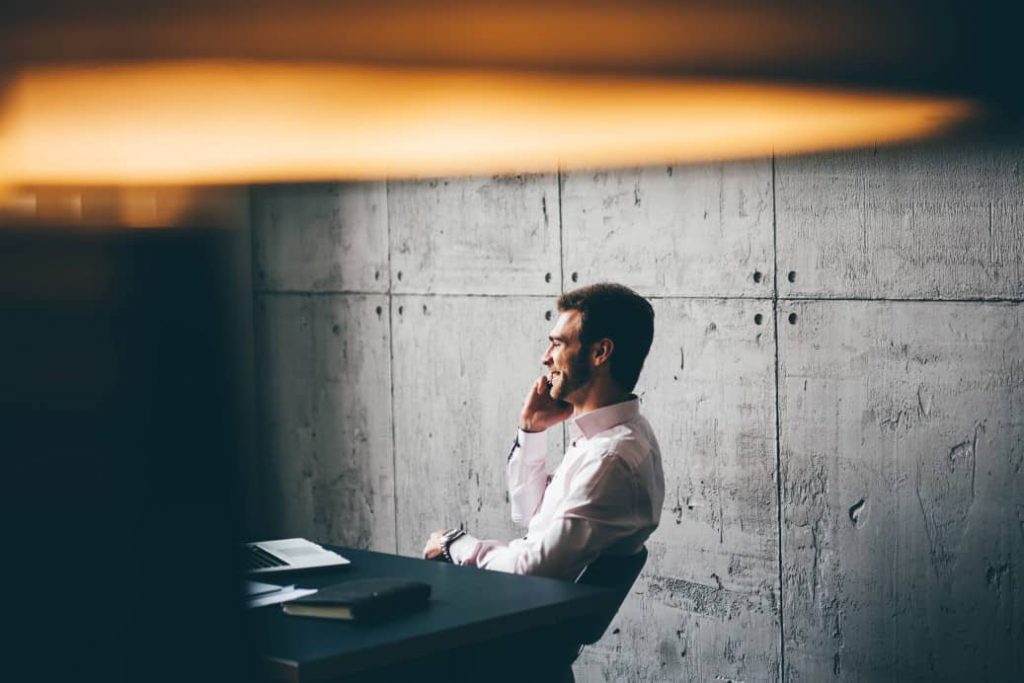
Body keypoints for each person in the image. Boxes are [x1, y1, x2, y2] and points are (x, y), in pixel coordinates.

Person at [423, 282, 664, 580]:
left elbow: (533, 569)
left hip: (525, 609)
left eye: (558, 343)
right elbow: (528, 515)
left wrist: (455, 545)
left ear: (600, 352)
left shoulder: (611, 458)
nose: (545, 357)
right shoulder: (607, 437)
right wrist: (533, 429)